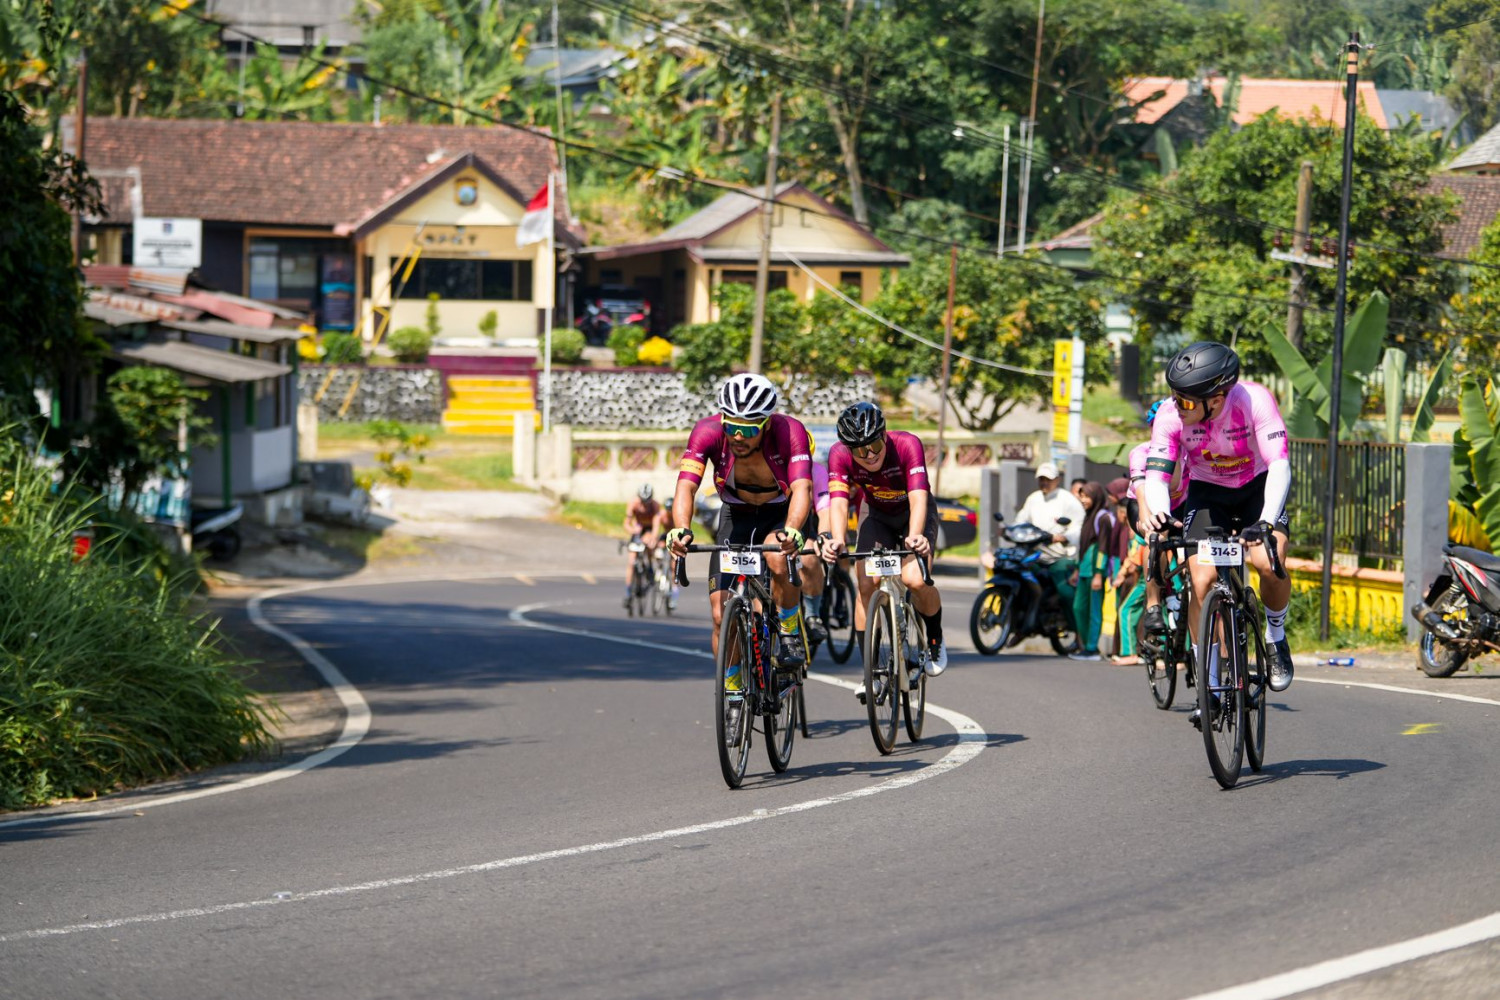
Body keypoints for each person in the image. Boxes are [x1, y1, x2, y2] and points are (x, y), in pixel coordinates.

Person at [1141, 341, 1295, 728]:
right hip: (1208, 493)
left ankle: (1275, 637)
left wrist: (1267, 521)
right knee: (1202, 580)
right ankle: (1208, 684)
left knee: (1268, 563)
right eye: (1174, 396)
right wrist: (1159, 514)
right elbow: (1156, 475)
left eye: (1186, 400)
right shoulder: (1170, 416)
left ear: (1217, 398)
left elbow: (1279, 465)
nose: (1177, 406)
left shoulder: (1254, 401)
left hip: (1257, 486)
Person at [666, 373, 812, 685]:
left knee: (777, 558)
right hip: (737, 514)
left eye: (749, 429)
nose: (738, 437)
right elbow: (686, 486)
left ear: (767, 424)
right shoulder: (707, 432)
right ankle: (732, 691)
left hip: (780, 511)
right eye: (731, 427)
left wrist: (793, 531)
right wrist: (681, 529)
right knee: (721, 616)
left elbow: (802, 487)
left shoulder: (790, 431)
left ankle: (789, 631)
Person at [821, 401, 948, 700]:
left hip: (913, 512)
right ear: (848, 449)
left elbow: (919, 497)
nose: (869, 455)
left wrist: (915, 536)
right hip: (876, 514)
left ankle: (934, 638)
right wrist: (837, 539)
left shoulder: (907, 444)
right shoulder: (839, 455)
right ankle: (871, 671)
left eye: (874, 445)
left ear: (884, 435)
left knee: (915, 579)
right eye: (859, 451)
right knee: (866, 583)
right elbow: (838, 501)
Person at [1126, 399, 1190, 639]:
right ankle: (1153, 605)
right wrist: (1146, 520)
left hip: (1179, 505)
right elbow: (1142, 492)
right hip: (1142, 502)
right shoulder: (1141, 452)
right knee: (1156, 534)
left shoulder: (1190, 452)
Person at [1014, 462, 1086, 631]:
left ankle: (1077, 632)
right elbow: (1021, 519)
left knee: (1065, 592)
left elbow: (1079, 525)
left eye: (1048, 479)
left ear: (1057, 480)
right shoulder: (1033, 499)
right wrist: (1011, 530)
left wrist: (1065, 537)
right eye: (1041, 479)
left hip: (1060, 556)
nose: (1044, 482)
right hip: (1036, 555)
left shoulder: (1067, 500)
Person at [1069, 481, 1116, 661]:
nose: (1083, 500)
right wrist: (1077, 570)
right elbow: (1083, 546)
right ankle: (1085, 645)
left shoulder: (1103, 518)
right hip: (1084, 571)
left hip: (1095, 572)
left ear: (1096, 497)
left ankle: (1092, 649)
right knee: (1078, 608)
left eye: (1087, 496)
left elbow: (1103, 548)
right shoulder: (1089, 516)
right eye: (1082, 496)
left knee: (1094, 611)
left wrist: (1098, 574)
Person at [622, 483, 666, 608]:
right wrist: (632, 530)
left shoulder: (655, 505)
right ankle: (628, 592)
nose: (645, 505)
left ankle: (650, 566)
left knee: (650, 545)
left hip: (649, 529)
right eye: (643, 501)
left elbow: (656, 524)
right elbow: (626, 523)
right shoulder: (633, 504)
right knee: (631, 562)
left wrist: (653, 538)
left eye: (647, 502)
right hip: (638, 528)